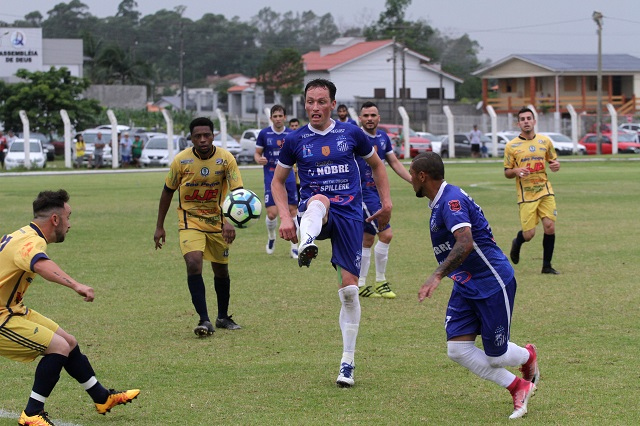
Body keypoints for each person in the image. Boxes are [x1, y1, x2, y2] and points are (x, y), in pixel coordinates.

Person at [271, 79, 392, 387]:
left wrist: (387, 201)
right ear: (305, 103)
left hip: (350, 215)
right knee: (319, 200)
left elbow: (378, 165)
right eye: (310, 101)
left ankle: (347, 363)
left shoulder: (351, 133)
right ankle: (306, 241)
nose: (315, 107)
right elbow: (277, 182)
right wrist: (285, 217)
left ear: (333, 104)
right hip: (317, 213)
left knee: (350, 291)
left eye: (321, 101)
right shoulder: (296, 140)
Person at [409, 152, 539, 420]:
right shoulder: (438, 199)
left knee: (496, 357)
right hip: (466, 283)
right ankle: (518, 386)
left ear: (422, 176)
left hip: (492, 282)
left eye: (412, 175)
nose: (410, 180)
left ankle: (527, 356)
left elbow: (465, 242)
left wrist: (437, 275)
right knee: (457, 349)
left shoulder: (451, 201)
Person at [0, 190, 139, 426]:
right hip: (3, 316)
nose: (70, 224)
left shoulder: (22, 233)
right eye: (69, 216)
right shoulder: (32, 242)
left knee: (69, 342)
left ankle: (102, 398)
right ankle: (32, 414)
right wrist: (76, 285)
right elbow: (41, 264)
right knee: (58, 347)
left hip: (13, 308)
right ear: (55, 219)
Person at [154, 117, 243, 337]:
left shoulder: (226, 159)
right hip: (189, 221)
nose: (202, 140)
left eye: (207, 135)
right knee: (193, 263)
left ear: (213, 136)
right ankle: (204, 320)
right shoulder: (181, 161)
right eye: (197, 136)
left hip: (218, 221)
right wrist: (159, 226)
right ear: (191, 138)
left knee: (221, 269)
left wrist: (229, 220)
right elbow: (167, 191)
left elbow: (237, 192)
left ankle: (222, 317)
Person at [356, 101, 412, 299]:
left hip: (377, 194)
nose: (369, 119)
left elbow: (394, 162)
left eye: (373, 115)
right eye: (366, 116)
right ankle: (380, 281)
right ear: (360, 119)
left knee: (368, 239)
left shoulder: (382, 137)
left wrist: (413, 181)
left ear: (379, 118)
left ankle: (362, 284)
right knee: (386, 235)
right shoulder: (356, 137)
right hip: (363, 194)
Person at [504, 107, 561, 274]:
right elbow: (507, 172)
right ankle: (518, 242)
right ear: (518, 123)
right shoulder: (511, 146)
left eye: (529, 118)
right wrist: (515, 171)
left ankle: (547, 266)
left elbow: (553, 161)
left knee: (550, 226)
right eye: (523, 119)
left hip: (544, 190)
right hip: (526, 195)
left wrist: (555, 165)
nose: (526, 121)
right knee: (529, 234)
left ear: (534, 121)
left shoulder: (545, 142)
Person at [254, 105, 299, 258]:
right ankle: (272, 236)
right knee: (272, 214)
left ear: (285, 117)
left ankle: (294, 246)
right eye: (275, 116)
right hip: (271, 176)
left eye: (281, 116)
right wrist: (259, 159)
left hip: (289, 177)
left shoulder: (291, 134)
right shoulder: (264, 134)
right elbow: (257, 153)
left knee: (293, 211)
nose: (278, 118)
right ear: (271, 118)